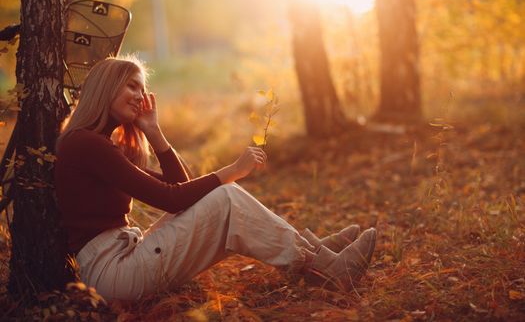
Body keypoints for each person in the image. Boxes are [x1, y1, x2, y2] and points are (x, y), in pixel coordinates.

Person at [55, 56, 376, 301]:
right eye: (131, 86)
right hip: (113, 273)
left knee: (218, 195)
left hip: (122, 261)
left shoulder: (98, 145)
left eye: (142, 88)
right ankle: (322, 265)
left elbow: (183, 193)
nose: (140, 96)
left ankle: (314, 254)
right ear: (107, 87)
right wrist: (230, 171)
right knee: (225, 195)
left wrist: (154, 133)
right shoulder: (85, 144)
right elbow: (172, 198)